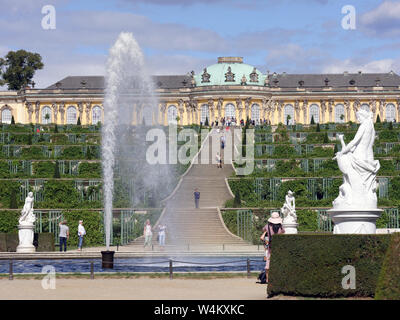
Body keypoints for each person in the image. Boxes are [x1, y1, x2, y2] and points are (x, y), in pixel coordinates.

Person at [260, 212, 285, 283]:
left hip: (271, 246)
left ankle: (268, 280)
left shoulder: (267, 226)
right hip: (279, 247)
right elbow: (283, 232)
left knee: (268, 263)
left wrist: (266, 232)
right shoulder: (281, 227)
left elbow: (263, 230)